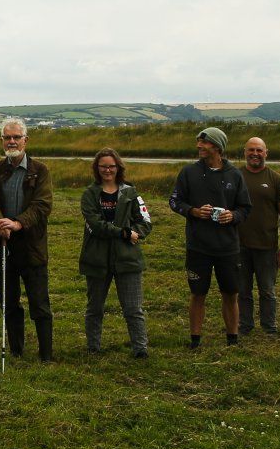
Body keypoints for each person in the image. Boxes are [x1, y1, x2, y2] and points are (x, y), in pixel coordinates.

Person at [169, 127, 252, 349]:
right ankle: (195, 341)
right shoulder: (189, 172)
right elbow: (174, 201)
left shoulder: (234, 175)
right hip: (198, 246)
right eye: (198, 142)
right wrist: (193, 211)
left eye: (204, 143)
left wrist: (232, 216)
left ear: (217, 147)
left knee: (230, 293)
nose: (199, 146)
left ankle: (232, 339)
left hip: (228, 247)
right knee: (198, 294)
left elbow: (245, 208)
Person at [0, 120, 55, 362]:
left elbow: (42, 205)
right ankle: (16, 350)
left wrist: (18, 223)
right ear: (1, 141)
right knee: (8, 301)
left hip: (32, 246)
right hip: (2, 244)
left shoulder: (40, 170)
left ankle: (46, 355)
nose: (11, 141)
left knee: (39, 303)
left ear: (25, 140)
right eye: (7, 137)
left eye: (16, 137)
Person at [78, 149, 153, 358]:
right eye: (103, 166)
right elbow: (96, 225)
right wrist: (124, 233)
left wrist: (135, 233)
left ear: (118, 167)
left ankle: (140, 349)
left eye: (111, 166)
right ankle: (93, 348)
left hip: (128, 259)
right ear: (97, 168)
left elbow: (145, 222)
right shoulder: (89, 194)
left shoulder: (131, 192)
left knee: (133, 309)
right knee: (95, 308)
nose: (107, 170)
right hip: (96, 258)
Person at [235, 137, 280, 336]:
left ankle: (269, 328)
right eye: (251, 150)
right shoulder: (235, 177)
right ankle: (244, 326)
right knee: (242, 290)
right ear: (245, 152)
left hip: (266, 247)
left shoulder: (277, 180)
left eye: (259, 150)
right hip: (239, 246)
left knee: (267, 291)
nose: (255, 154)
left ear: (266, 153)